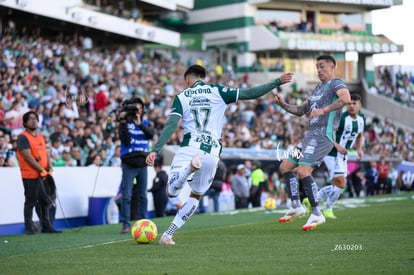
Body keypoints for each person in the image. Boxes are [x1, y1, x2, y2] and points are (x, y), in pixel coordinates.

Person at [146, 64, 293, 245]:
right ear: (203, 77)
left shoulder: (182, 96)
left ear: (187, 80)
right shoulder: (217, 90)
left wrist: (155, 149)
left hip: (190, 147)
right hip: (212, 152)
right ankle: (167, 235)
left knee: (171, 192)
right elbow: (251, 93)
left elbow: (171, 125)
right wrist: (277, 81)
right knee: (196, 196)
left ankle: (188, 170)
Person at [273, 54, 351, 231]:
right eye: (317, 66)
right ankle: (296, 206)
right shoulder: (317, 88)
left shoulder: (336, 83)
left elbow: (346, 99)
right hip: (310, 137)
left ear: (332, 67)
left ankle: (316, 213)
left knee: (303, 171)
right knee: (285, 166)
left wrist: (324, 110)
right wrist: (283, 105)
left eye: (322, 66)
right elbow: (301, 110)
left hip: (323, 136)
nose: (319, 70)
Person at [312, 93, 366, 219]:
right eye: (349, 103)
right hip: (332, 153)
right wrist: (337, 146)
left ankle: (313, 200)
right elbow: (327, 133)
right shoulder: (341, 118)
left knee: (338, 185)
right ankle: (328, 208)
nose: (351, 106)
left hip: (342, 155)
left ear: (360, 105)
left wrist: (359, 149)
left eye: (354, 103)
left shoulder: (361, 119)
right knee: (341, 183)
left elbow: (360, 134)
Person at [15, 111, 61, 234]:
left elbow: (46, 154)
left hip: (44, 175)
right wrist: (41, 169)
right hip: (30, 175)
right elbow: (27, 157)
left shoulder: (40, 136)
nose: (34, 120)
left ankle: (46, 226)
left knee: (45, 201)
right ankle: (29, 228)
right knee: (30, 201)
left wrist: (49, 167)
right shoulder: (23, 137)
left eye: (35, 118)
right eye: (30, 119)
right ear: (25, 123)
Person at [118, 98, 155, 234]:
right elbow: (125, 140)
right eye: (135, 108)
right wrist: (123, 122)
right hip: (129, 163)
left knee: (143, 195)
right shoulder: (125, 124)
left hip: (143, 163)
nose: (137, 111)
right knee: (127, 195)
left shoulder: (145, 123)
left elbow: (151, 134)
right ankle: (125, 224)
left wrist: (140, 125)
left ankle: (144, 222)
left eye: (139, 108)